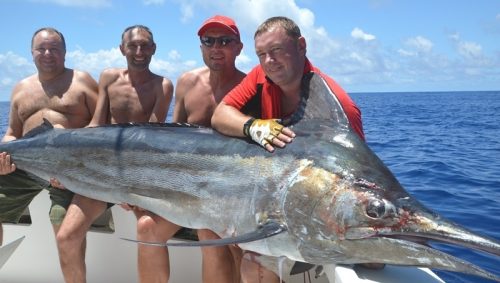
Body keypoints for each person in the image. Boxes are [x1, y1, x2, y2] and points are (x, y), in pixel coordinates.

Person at [211, 16, 366, 282]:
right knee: (215, 232)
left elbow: (356, 179)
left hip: (314, 215)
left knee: (255, 266)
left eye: (277, 50)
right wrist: (252, 126)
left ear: (301, 46)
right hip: (273, 201)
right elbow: (220, 115)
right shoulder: (261, 74)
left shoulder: (341, 107)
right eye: (262, 54)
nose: (269, 61)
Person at [55, 25, 173, 283]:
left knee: (150, 235)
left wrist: (128, 187)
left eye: (145, 45)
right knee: (66, 237)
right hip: (101, 173)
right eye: (133, 46)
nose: (139, 51)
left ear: (154, 49)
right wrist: (63, 151)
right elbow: (96, 126)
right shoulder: (108, 76)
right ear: (122, 49)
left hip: (139, 177)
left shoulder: (162, 86)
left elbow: (148, 143)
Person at [133, 15, 246, 283]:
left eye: (225, 41)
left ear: (239, 48)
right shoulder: (186, 82)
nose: (216, 47)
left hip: (230, 192)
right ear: (201, 47)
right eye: (209, 41)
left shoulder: (250, 87)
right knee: (147, 227)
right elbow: (172, 142)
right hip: (185, 189)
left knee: (209, 232)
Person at [0, 27, 98, 247]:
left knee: (63, 229)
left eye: (54, 48)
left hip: (70, 172)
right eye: (41, 49)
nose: (47, 54)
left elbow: (102, 125)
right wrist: (3, 160)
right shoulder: (20, 88)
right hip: (26, 167)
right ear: (31, 52)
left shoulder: (82, 81)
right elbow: (12, 134)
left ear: (65, 52)